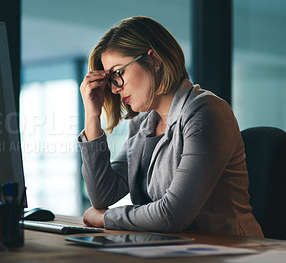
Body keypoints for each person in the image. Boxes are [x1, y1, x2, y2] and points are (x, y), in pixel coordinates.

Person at [78, 16, 263, 237]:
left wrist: (106, 218)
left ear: (154, 60)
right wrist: (92, 115)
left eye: (118, 74)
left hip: (232, 252)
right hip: (170, 249)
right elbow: (102, 195)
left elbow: (172, 214)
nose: (115, 89)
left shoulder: (207, 112)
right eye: (110, 81)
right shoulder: (142, 124)